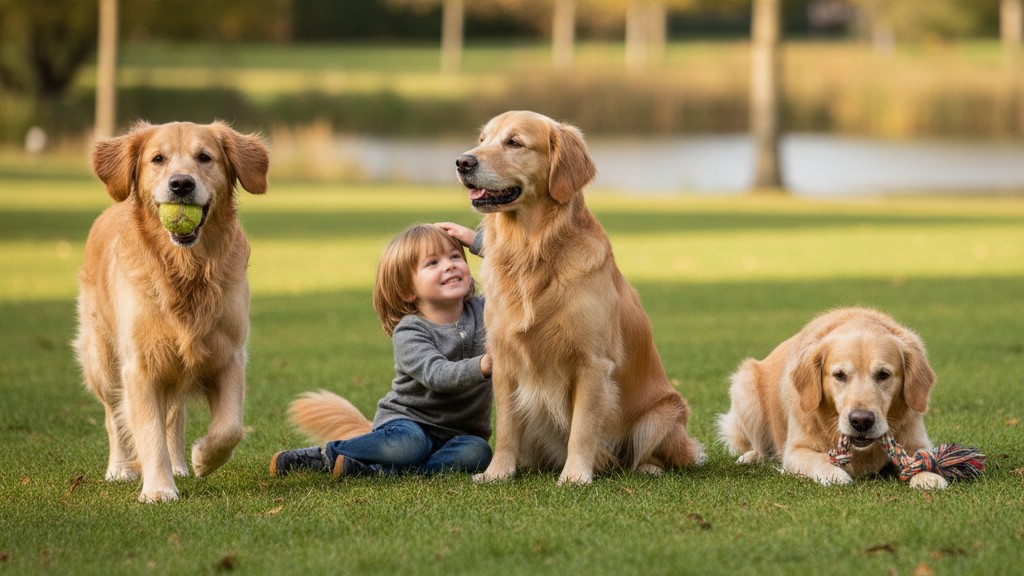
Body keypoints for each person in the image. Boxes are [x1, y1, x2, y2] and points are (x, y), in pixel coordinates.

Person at [270, 222, 492, 477]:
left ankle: (380, 471)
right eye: (432, 263)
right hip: (408, 424)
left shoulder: (485, 310)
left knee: (479, 452)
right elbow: (438, 375)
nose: (449, 265)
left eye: (454, 256)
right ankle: (324, 456)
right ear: (407, 291)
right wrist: (484, 365)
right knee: (409, 446)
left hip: (458, 435)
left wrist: (475, 240)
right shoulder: (410, 331)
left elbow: (516, 266)